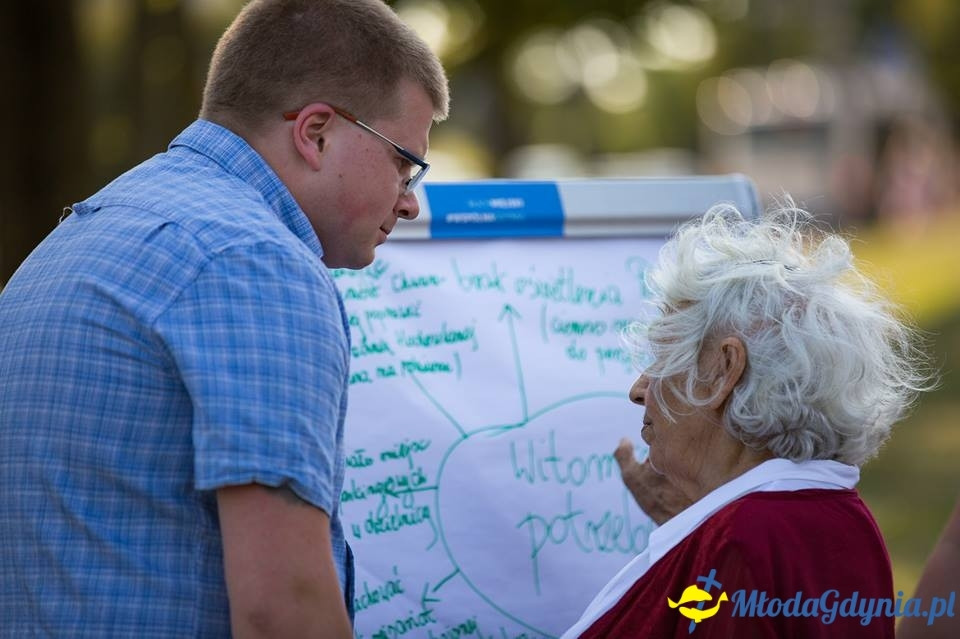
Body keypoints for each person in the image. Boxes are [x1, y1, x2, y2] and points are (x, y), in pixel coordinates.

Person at [0, 1, 448, 636]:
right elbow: (284, 610)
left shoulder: (88, 229)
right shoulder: (256, 262)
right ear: (316, 132)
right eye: (404, 164)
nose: (409, 203)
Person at [562, 205, 932, 638]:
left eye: (663, 357)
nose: (639, 389)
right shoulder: (827, 518)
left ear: (724, 369)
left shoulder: (745, 541)